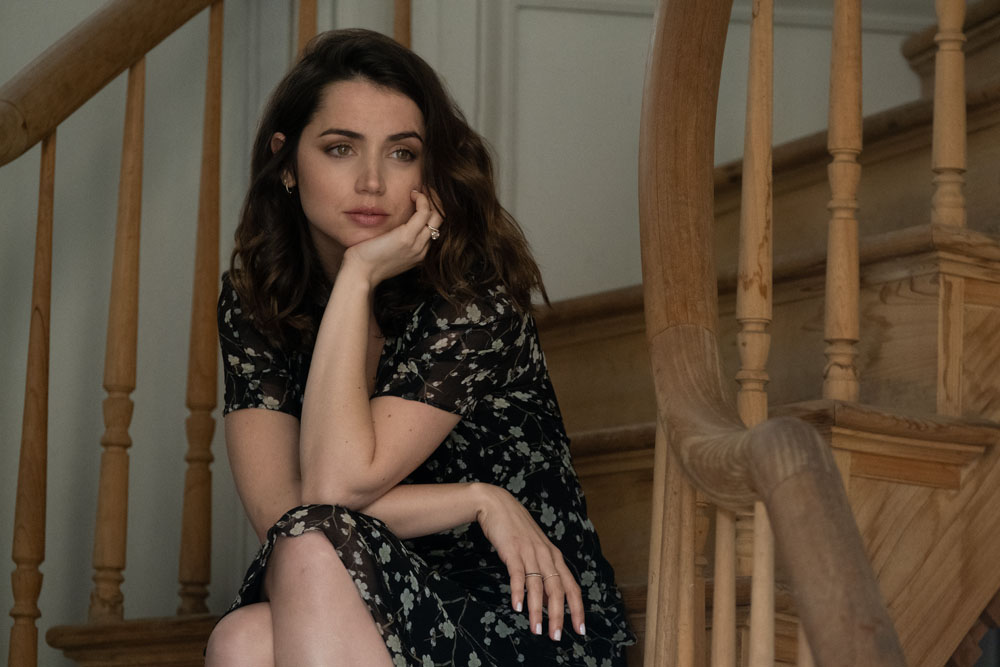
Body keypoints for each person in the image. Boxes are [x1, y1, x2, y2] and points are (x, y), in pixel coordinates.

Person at [205, 28, 633, 666]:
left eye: (402, 153)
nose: (372, 181)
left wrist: (355, 275)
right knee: (242, 636)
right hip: (347, 590)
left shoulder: (471, 298)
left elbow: (328, 492)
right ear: (287, 161)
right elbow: (283, 515)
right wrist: (478, 499)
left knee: (304, 558)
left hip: (520, 609)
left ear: (429, 171)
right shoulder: (257, 299)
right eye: (341, 148)